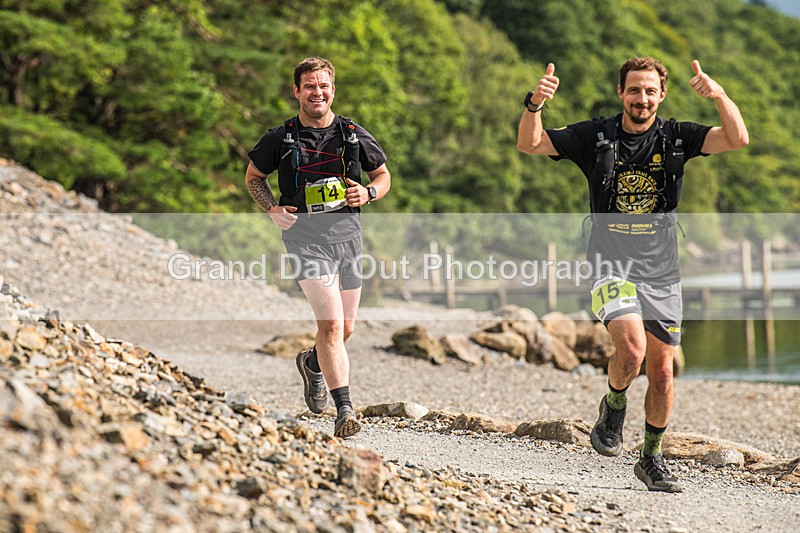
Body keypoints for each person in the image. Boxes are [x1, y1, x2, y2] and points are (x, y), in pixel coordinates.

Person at [517, 57, 748, 492]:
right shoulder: (595, 135)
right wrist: (534, 105)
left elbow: (737, 138)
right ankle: (615, 404)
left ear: (661, 95)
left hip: (663, 269)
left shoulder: (677, 136)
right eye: (634, 90)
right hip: (610, 263)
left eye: (650, 91)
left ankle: (651, 458)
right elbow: (531, 145)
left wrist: (718, 95)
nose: (642, 98)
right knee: (633, 349)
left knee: (662, 373)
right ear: (621, 92)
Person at [246, 57, 391, 438]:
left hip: (349, 237)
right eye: (309, 86)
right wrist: (271, 209)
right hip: (305, 240)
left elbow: (383, 175)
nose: (317, 92)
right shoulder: (281, 136)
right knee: (328, 324)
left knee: (345, 328)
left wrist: (370, 192)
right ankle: (345, 410)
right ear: (297, 91)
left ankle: (312, 363)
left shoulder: (353, 133)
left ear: (333, 89)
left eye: (323, 85)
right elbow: (254, 178)